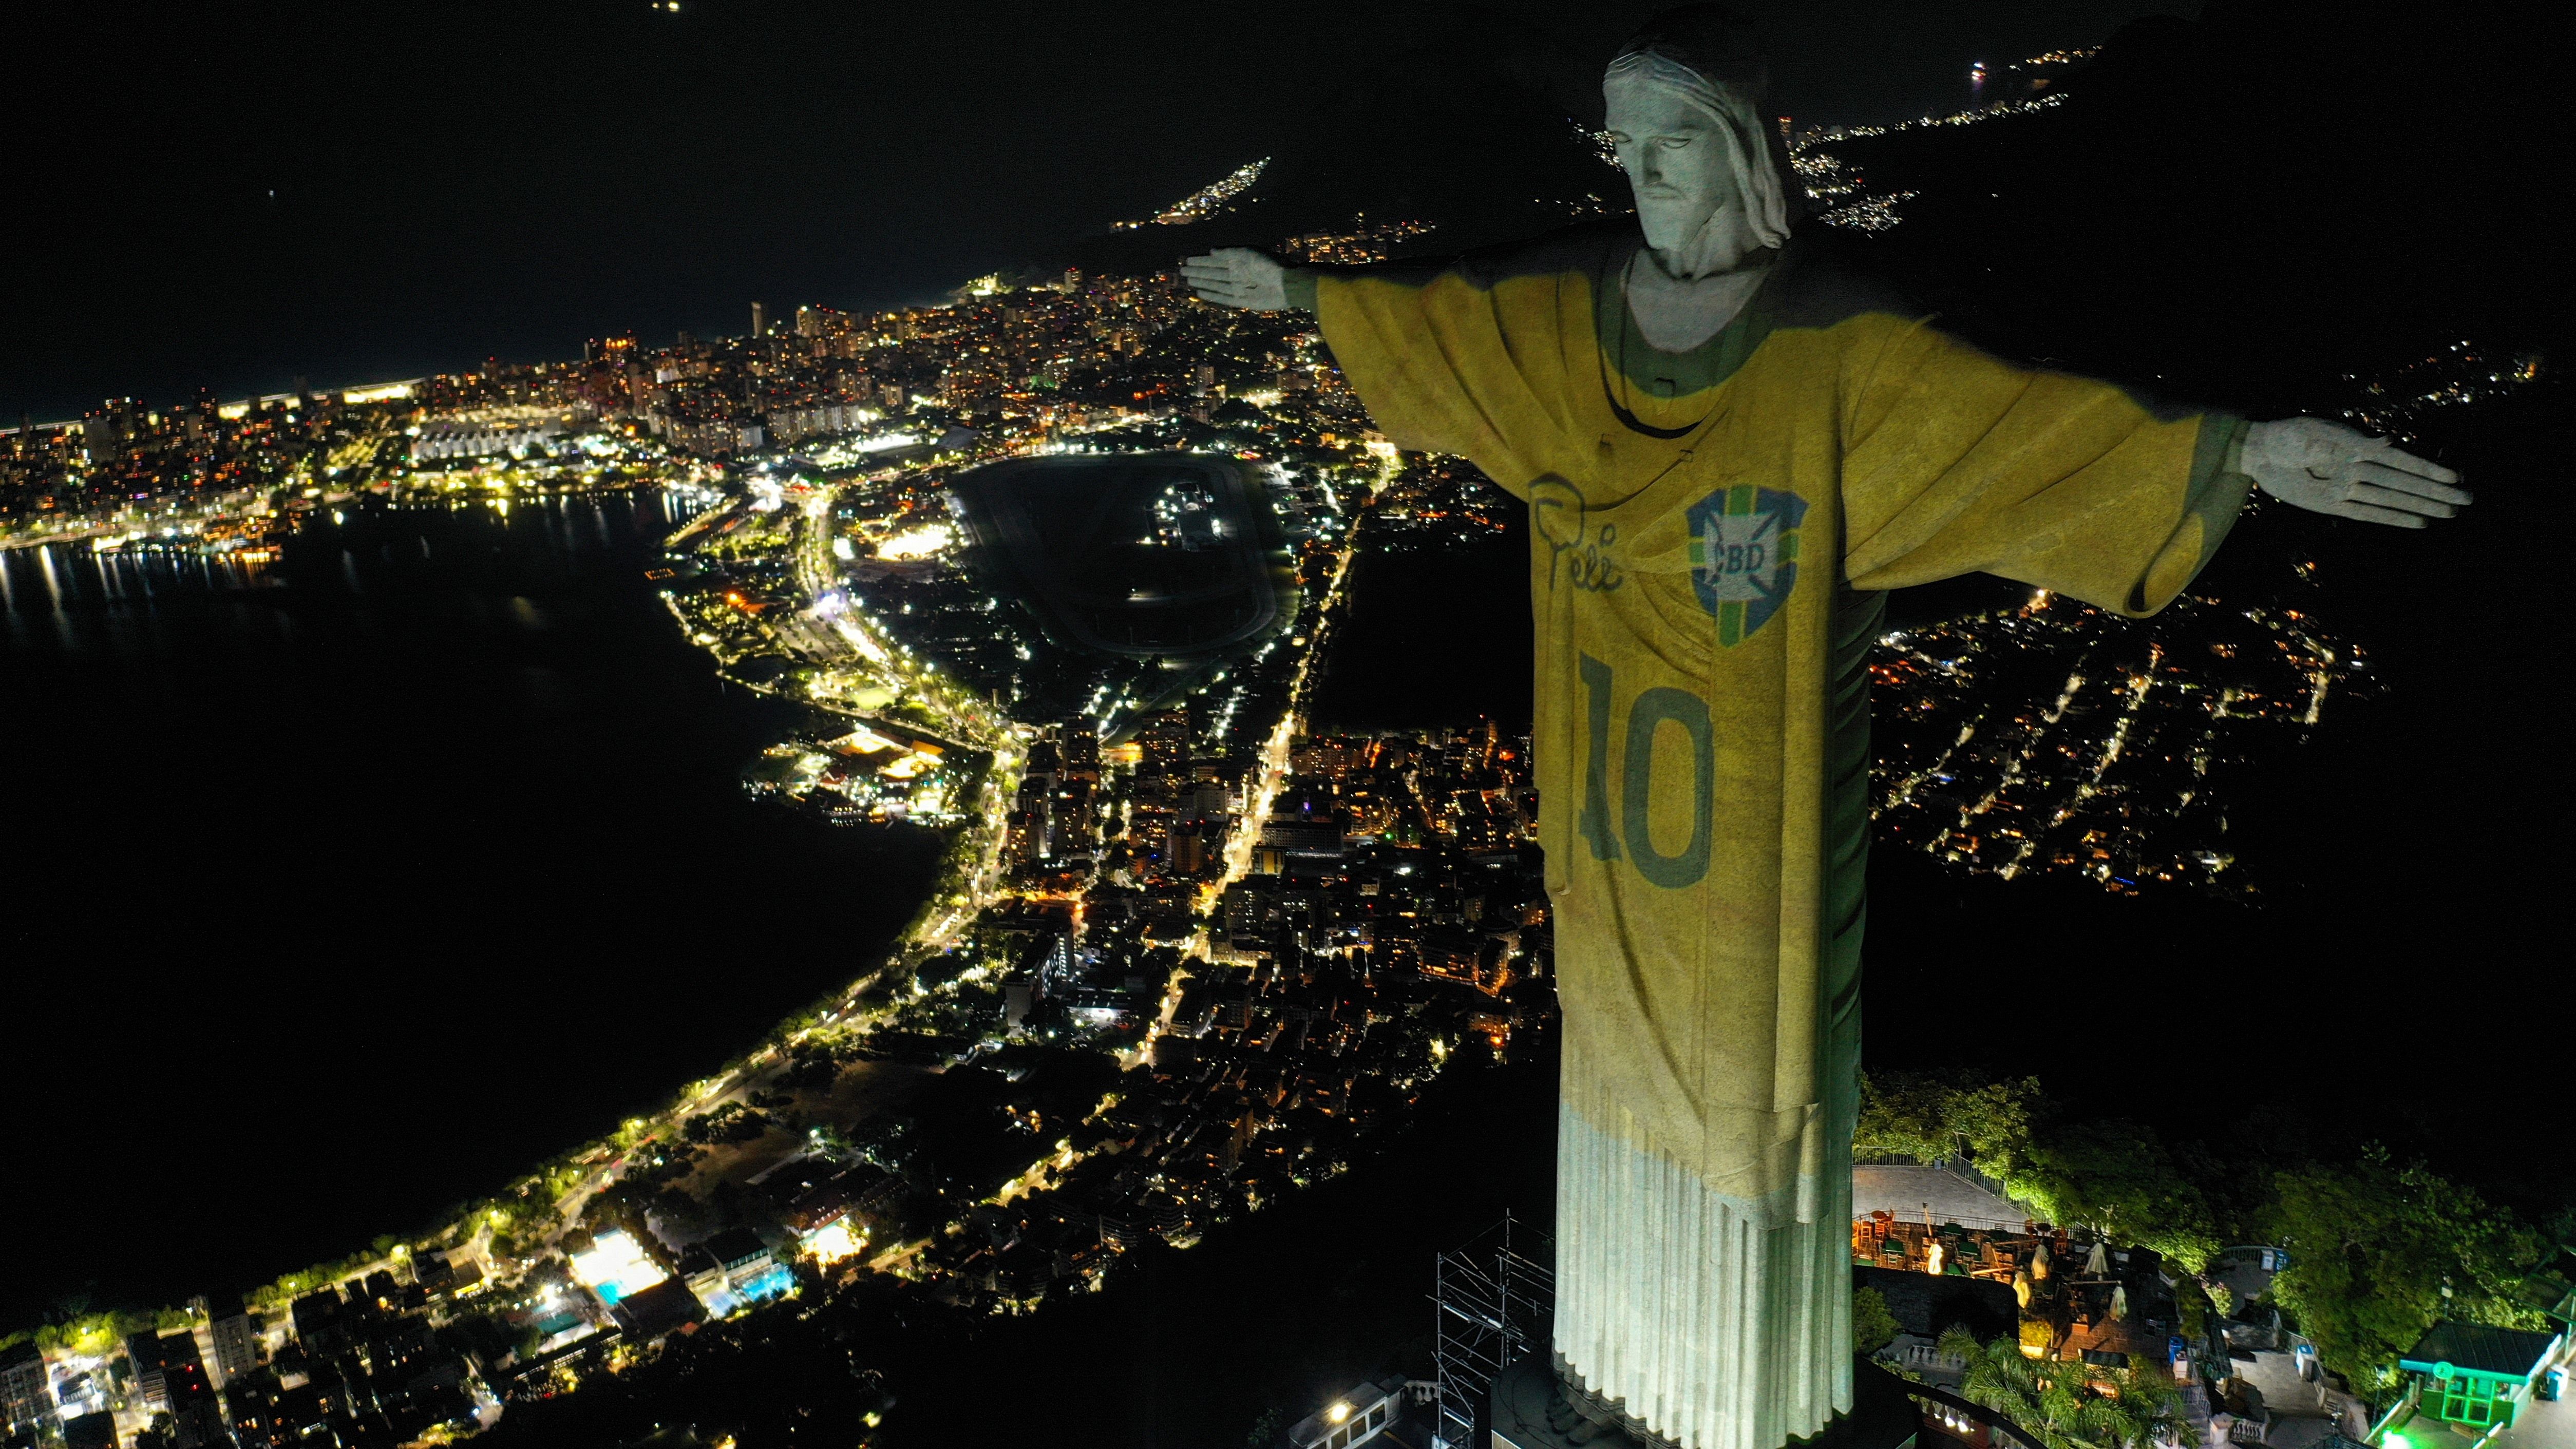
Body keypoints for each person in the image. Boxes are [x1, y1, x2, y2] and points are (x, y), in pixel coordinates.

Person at [1184, 8, 2466, 1448]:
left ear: (1739, 154)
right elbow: (1449, 319)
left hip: (1751, 805)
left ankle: (1732, 1402)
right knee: (1600, 1025)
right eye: (1628, 148)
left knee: (1760, 1071)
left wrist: (2243, 452)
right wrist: (1297, 292)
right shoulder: (1575, 312)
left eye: (1674, 143)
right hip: (1611, 798)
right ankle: (1621, 1379)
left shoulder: (1834, 343)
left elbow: (2018, 427)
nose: (1647, 172)